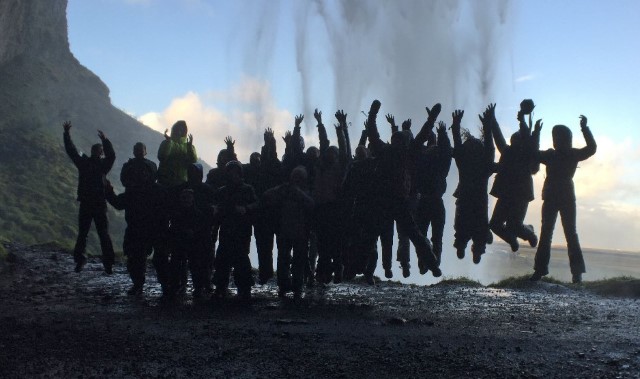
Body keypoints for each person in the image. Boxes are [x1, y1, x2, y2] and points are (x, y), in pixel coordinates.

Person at [365, 100, 441, 277]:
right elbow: (422, 135)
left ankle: (366, 269)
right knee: (414, 235)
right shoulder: (408, 152)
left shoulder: (386, 150)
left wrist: (372, 114)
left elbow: (373, 135)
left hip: (387, 201)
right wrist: (432, 118)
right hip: (398, 201)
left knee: (375, 236)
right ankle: (432, 264)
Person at [530, 115, 596, 283]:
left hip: (555, 196)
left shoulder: (554, 155)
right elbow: (591, 148)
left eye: (557, 137)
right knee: (565, 234)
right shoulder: (570, 154)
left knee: (553, 233)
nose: (555, 140)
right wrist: (585, 129)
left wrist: (536, 133)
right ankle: (575, 273)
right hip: (563, 196)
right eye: (554, 137)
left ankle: (542, 271)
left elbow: (533, 154)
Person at [62, 121, 116, 274]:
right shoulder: (103, 165)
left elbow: (71, 151)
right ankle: (108, 263)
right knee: (102, 234)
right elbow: (112, 155)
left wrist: (66, 134)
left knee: (84, 234)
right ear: (101, 152)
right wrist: (105, 141)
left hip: (88, 203)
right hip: (98, 203)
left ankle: (81, 261)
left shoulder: (84, 162)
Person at [488, 101, 540, 252]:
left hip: (520, 194)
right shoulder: (508, 152)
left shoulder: (526, 154)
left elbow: (526, 138)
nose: (514, 142)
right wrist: (492, 120)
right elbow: (498, 138)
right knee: (495, 224)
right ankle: (513, 240)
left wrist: (522, 120)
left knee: (514, 225)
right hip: (506, 194)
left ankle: (529, 233)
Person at [105, 179, 167, 295]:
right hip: (155, 229)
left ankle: (139, 285)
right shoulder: (159, 190)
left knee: (138, 259)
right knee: (159, 259)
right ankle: (166, 287)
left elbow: (118, 203)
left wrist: (108, 190)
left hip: (139, 229)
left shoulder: (133, 190)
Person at [451, 106, 495, 264]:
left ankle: (461, 246)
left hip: (464, 201)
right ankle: (476, 250)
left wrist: (456, 125)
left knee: (462, 227)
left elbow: (457, 146)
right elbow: (489, 148)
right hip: (479, 203)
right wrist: (487, 127)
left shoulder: (463, 163)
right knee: (480, 230)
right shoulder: (485, 166)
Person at [263, 166, 314, 299]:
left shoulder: (302, 191)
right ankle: (287, 285)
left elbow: (311, 204)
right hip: (288, 230)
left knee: (293, 259)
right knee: (288, 259)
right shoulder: (287, 189)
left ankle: (294, 285)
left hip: (295, 231)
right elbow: (268, 196)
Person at [312, 109, 349, 284]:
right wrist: (320, 123)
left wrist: (341, 129)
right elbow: (324, 142)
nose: (331, 154)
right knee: (322, 244)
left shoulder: (340, 167)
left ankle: (337, 271)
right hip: (321, 209)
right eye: (329, 153)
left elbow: (344, 148)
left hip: (335, 209)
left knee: (336, 242)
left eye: (334, 153)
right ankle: (323, 274)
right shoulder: (321, 166)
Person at [212, 161, 258, 300]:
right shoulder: (222, 191)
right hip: (227, 228)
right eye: (230, 173)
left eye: (235, 173)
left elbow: (256, 204)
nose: (233, 175)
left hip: (242, 229)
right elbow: (218, 209)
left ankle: (244, 289)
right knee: (222, 259)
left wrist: (246, 209)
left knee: (241, 259)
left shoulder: (247, 189)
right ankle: (221, 287)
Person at [413, 120, 453, 266]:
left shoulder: (421, 159)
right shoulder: (441, 162)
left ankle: (424, 262)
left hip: (423, 201)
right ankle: (434, 262)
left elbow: (416, 146)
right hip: (436, 201)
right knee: (437, 237)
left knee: (421, 235)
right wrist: (443, 133)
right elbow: (447, 151)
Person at [157, 120, 197, 187]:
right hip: (165, 182)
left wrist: (190, 147)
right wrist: (168, 142)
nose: (179, 131)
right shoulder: (166, 142)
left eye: (182, 129)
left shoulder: (189, 146)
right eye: (177, 129)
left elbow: (193, 160)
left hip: (182, 182)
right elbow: (162, 157)